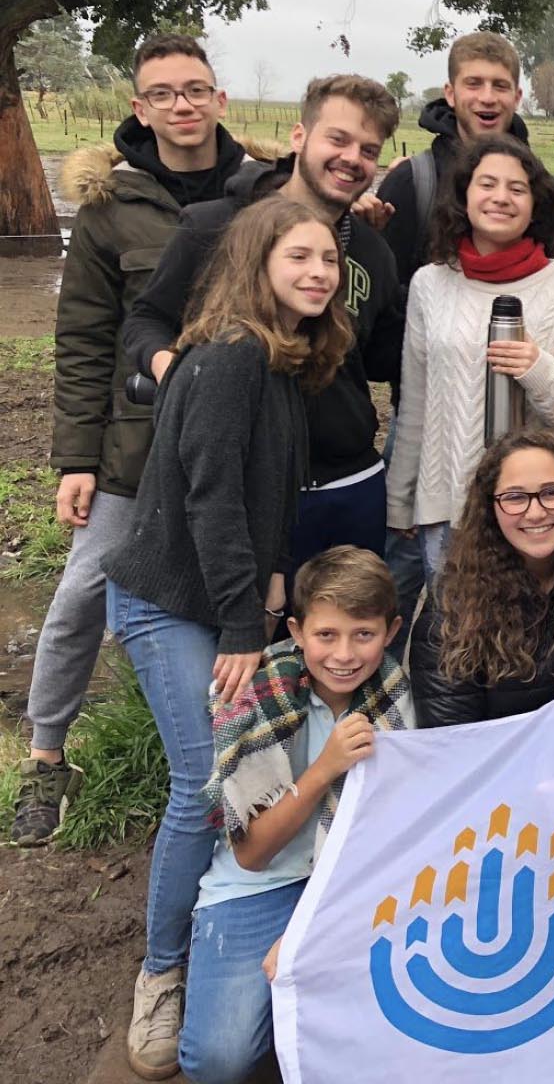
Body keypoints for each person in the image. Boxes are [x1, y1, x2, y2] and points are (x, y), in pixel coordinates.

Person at [102, 196, 351, 1079]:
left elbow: (263, 493)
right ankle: (162, 973)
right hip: (171, 602)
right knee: (199, 785)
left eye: (328, 259)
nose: (318, 272)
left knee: (234, 776)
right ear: (257, 261)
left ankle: (229, 927)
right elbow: (209, 497)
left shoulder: (282, 363)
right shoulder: (237, 355)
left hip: (223, 600)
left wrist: (275, 580)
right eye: (299, 257)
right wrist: (246, 623)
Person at [11, 34, 272, 849]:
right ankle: (47, 756)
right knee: (87, 587)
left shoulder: (259, 190)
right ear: (140, 106)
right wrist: (75, 459)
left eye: (195, 89)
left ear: (219, 100)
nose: (181, 106)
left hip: (241, 433)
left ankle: (248, 753)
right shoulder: (107, 207)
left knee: (249, 578)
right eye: (162, 93)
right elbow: (86, 336)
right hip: (136, 442)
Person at [124, 75, 405, 595]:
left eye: (369, 150)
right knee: (243, 648)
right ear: (299, 137)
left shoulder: (372, 251)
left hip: (345, 484)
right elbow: (146, 320)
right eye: (337, 140)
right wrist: (173, 370)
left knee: (337, 658)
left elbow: (388, 358)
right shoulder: (213, 227)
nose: (352, 159)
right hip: (243, 485)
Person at [179, 547, 411, 1084]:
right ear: (297, 630)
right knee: (219, 1061)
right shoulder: (250, 694)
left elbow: (396, 826)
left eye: (364, 634)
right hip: (258, 884)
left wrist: (322, 921)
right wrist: (325, 767)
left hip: (354, 879)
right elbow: (254, 853)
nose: (345, 654)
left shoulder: (395, 691)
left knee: (385, 1033)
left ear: (392, 630)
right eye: (326, 635)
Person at [386, 136, 554, 585]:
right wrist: (400, 500)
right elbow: (416, 400)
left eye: (517, 189)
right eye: (487, 184)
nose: (501, 197)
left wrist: (537, 368)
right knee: (455, 636)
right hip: (446, 509)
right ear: (464, 196)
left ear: (536, 205)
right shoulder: (430, 284)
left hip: (531, 513)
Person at [410, 430, 554, 725]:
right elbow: (449, 741)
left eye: (552, 492)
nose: (535, 513)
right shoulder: (452, 607)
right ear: (490, 507)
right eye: (515, 497)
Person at [376, 31, 529, 289]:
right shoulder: (411, 183)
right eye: (474, 83)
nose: (488, 97)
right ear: (450, 93)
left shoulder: (535, 182)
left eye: (500, 86)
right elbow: (386, 295)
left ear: (516, 97)